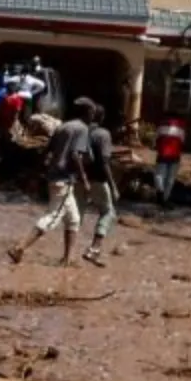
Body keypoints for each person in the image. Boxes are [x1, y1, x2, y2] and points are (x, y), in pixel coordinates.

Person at [9, 97, 93, 267]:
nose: (93, 116)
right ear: (87, 113)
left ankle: (67, 260)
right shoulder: (82, 129)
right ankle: (20, 247)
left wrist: (36, 174)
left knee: (74, 219)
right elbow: (76, 155)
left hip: (54, 176)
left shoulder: (62, 126)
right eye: (91, 113)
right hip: (64, 179)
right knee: (53, 217)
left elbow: (46, 151)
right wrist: (84, 179)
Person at [81, 103, 120, 267]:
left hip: (80, 177)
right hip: (97, 179)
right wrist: (113, 186)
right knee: (108, 212)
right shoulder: (103, 134)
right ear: (103, 117)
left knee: (76, 214)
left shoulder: (83, 131)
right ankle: (94, 249)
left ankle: (66, 255)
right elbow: (104, 162)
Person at [153, 114, 186, 205]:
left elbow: (156, 139)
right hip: (175, 156)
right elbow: (183, 141)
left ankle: (160, 194)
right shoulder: (181, 126)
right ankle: (165, 199)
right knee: (170, 178)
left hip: (163, 154)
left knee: (159, 175)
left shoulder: (161, 125)